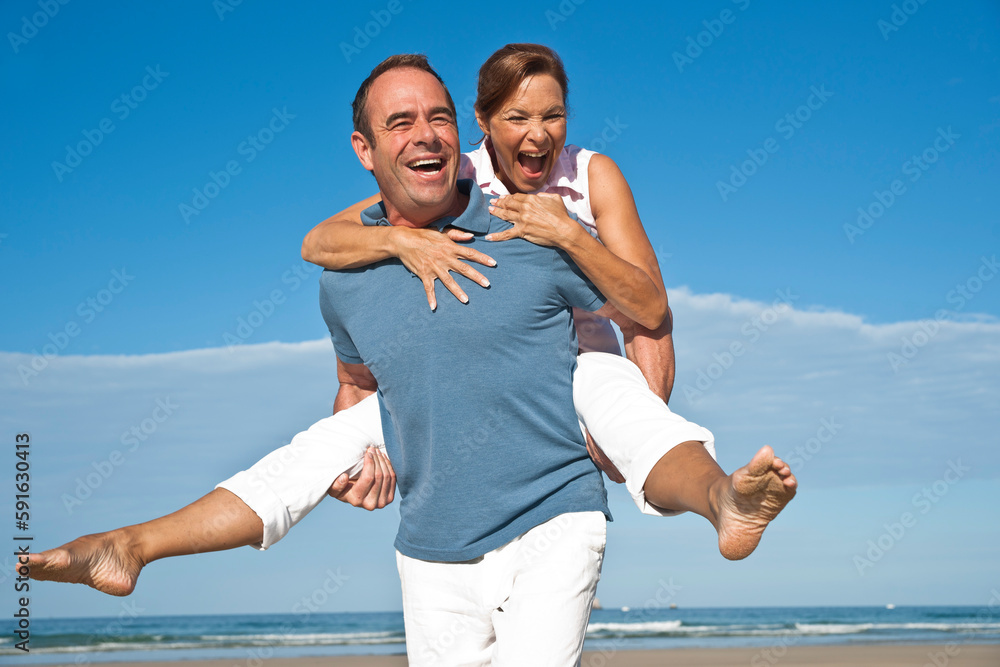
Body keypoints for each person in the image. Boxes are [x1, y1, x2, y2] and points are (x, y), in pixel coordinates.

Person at [29, 53, 796, 665]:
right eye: (401, 122)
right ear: (366, 150)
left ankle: (720, 498)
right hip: (431, 545)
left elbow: (648, 311)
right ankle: (130, 544)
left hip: (555, 497)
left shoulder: (537, 222)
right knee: (315, 448)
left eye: (437, 117)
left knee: (613, 386)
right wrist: (361, 462)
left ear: (460, 133)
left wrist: (572, 239)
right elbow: (350, 371)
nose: (426, 134)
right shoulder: (348, 275)